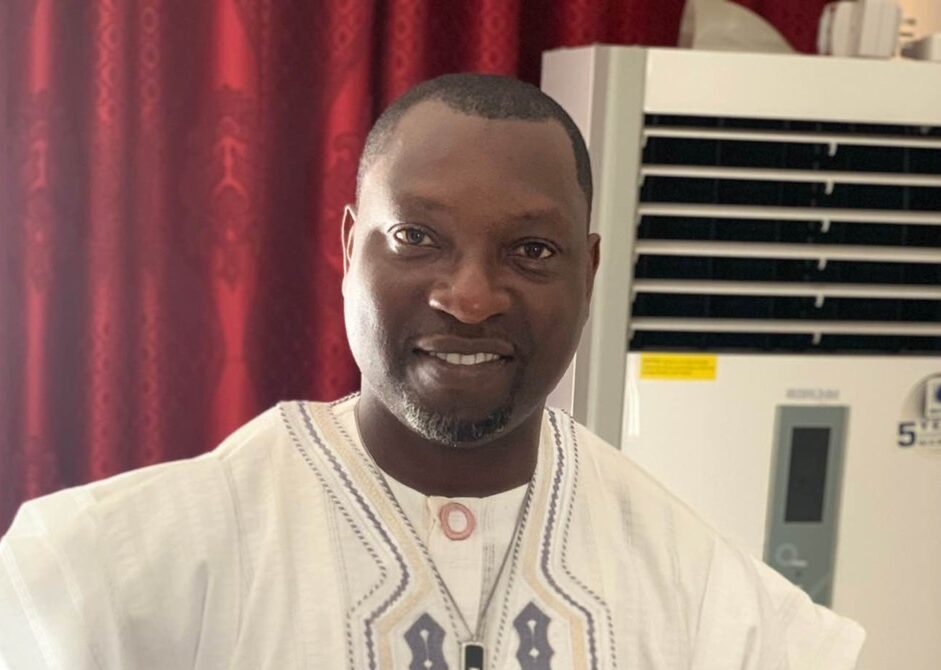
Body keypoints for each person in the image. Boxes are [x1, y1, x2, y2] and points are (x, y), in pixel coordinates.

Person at [0, 73, 864, 669]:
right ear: (350, 248)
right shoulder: (107, 578)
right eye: (416, 238)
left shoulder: (712, 602)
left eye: (531, 250)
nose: (470, 297)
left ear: (589, 272)